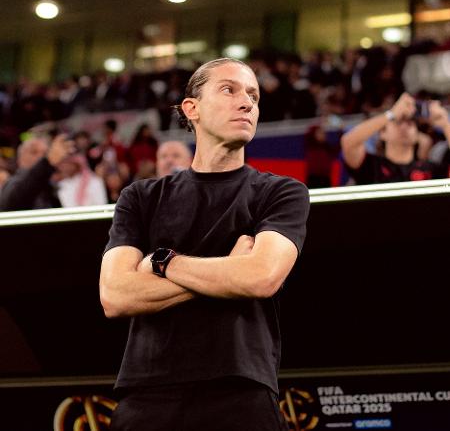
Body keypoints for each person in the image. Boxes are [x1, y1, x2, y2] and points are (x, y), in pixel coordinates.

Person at [99, 58, 310, 431]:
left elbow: (260, 277)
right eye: (229, 89)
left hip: (241, 391)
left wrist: (163, 263)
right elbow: (116, 296)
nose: (246, 103)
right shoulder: (140, 197)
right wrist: (229, 269)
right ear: (191, 108)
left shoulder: (282, 192)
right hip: (147, 393)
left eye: (253, 96)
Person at [341, 92, 450, 184]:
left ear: (417, 134)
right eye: (398, 122)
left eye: (410, 123)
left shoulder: (431, 170)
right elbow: (348, 142)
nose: (404, 127)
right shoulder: (371, 166)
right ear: (382, 133)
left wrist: (445, 124)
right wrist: (391, 114)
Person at [0, 134, 74, 211]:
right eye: (34, 152)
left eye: (44, 153)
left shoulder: (49, 186)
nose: (40, 156)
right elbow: (15, 201)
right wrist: (47, 162)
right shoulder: (13, 183)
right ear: (19, 158)